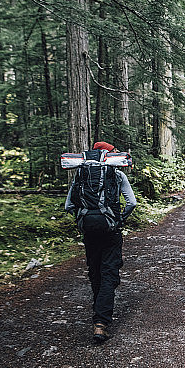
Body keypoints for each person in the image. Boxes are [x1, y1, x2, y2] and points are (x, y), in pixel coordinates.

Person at [65, 141, 137, 343]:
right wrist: (119, 218)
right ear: (107, 154)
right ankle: (101, 323)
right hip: (110, 230)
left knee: (95, 271)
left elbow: (68, 205)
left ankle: (98, 313)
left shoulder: (80, 174)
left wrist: (82, 219)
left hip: (88, 231)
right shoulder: (117, 174)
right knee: (109, 273)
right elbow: (132, 203)